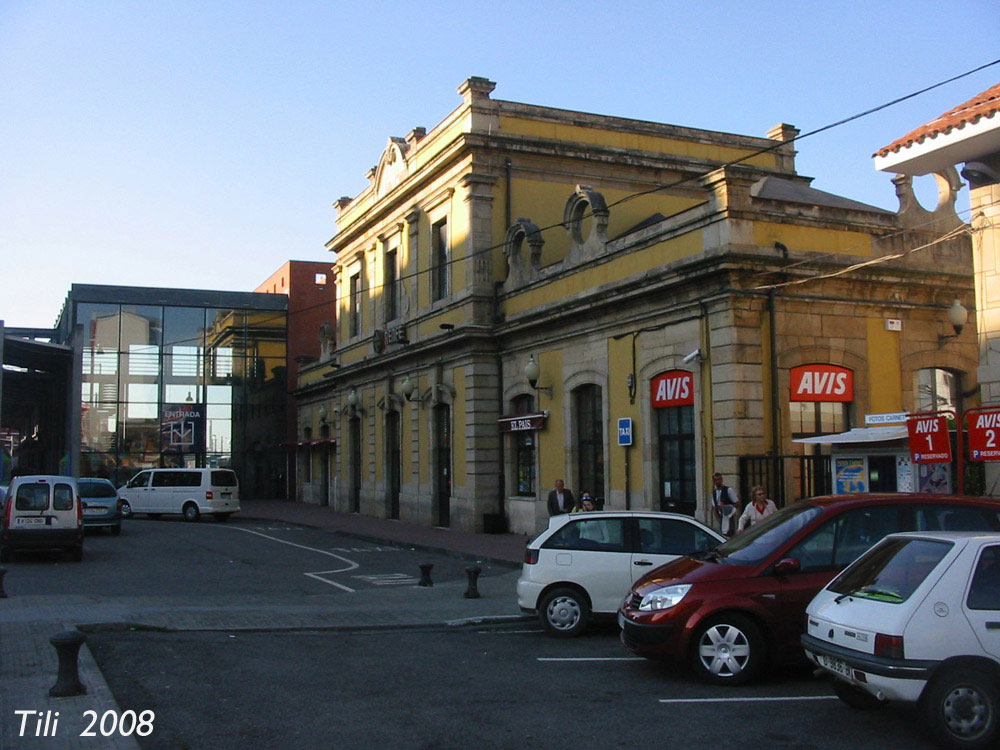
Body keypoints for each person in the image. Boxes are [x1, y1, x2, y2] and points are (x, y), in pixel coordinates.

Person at [710, 472, 741, 536]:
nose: (718, 481)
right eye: (716, 480)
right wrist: (719, 519)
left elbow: (738, 503)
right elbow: (714, 507)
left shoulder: (728, 490)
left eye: (719, 479)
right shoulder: (714, 493)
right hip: (721, 517)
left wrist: (727, 507)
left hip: (729, 517)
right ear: (713, 481)